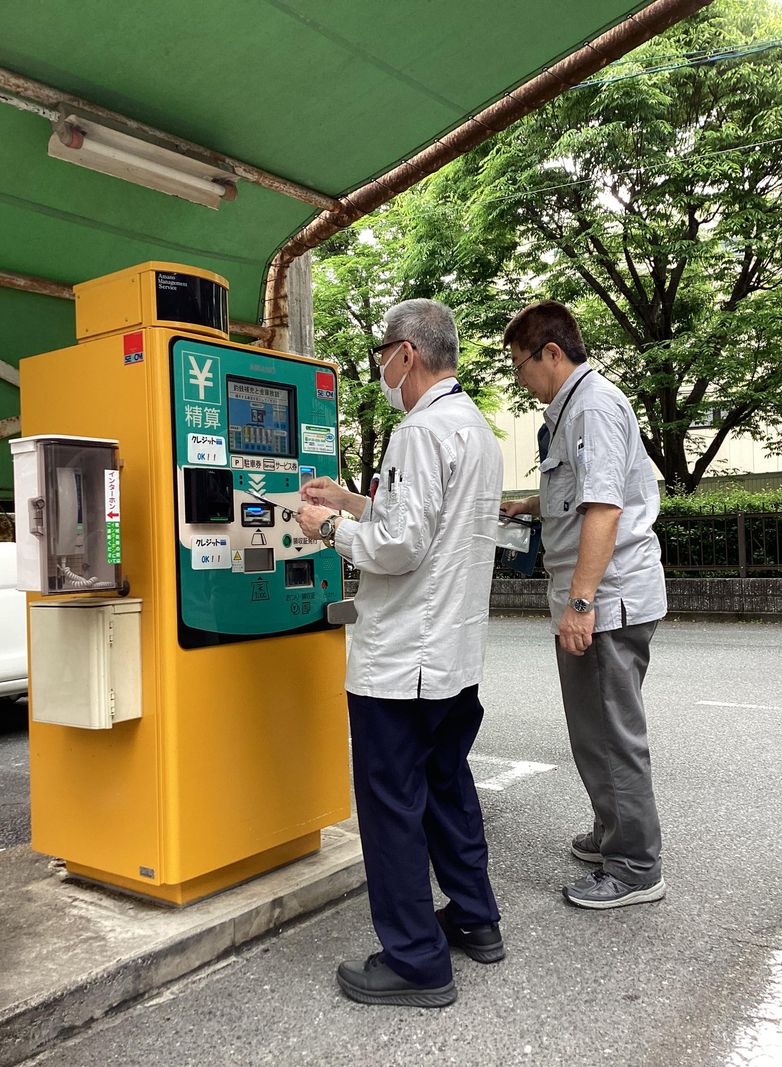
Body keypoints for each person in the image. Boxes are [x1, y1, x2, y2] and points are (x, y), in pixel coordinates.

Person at [296, 299, 504, 1007]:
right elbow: (424, 523)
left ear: (407, 354)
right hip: (453, 658)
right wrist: (351, 500)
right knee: (447, 788)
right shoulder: (474, 429)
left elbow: (398, 545)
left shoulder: (419, 430)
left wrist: (327, 527)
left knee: (391, 805)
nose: (381, 366)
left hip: (400, 665)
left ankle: (416, 960)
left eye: (383, 352)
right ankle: (475, 919)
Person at [501, 300, 667, 910]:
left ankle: (635, 867)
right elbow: (580, 496)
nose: (520, 378)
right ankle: (611, 834)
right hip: (602, 597)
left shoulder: (591, 408)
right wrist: (531, 506)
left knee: (610, 733)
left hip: (607, 600)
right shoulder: (573, 408)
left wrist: (581, 601)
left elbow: (604, 508)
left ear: (552, 353)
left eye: (521, 365)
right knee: (592, 730)